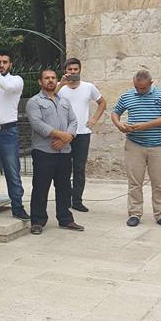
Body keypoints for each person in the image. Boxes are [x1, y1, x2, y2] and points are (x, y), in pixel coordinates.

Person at [111, 70, 161, 228]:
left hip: (158, 145)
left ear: (151, 83)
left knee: (159, 182)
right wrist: (119, 124)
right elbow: (115, 112)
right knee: (134, 182)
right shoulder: (127, 96)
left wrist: (144, 126)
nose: (139, 90)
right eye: (137, 87)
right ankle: (134, 213)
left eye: (143, 88)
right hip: (134, 145)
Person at [25, 69, 84, 235]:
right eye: (47, 78)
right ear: (40, 82)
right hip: (44, 151)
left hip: (64, 151)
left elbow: (73, 121)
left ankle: (66, 219)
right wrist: (61, 135)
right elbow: (38, 124)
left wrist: (67, 138)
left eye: (53, 78)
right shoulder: (34, 102)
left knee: (64, 187)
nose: (50, 80)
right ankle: (37, 221)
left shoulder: (64, 101)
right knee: (40, 187)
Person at [0, 49, 28, 220]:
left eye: (4, 62)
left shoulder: (16, 80)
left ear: (10, 64)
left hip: (8, 132)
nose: (1, 65)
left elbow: (6, 86)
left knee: (12, 172)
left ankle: (18, 207)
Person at [55, 57, 106, 212]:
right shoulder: (59, 87)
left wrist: (94, 119)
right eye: (70, 69)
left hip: (82, 133)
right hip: (64, 134)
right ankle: (65, 198)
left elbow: (102, 102)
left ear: (80, 70)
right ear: (65, 71)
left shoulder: (88, 87)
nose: (73, 72)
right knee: (63, 168)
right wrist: (61, 84)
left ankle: (77, 200)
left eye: (75, 69)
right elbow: (47, 98)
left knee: (79, 168)